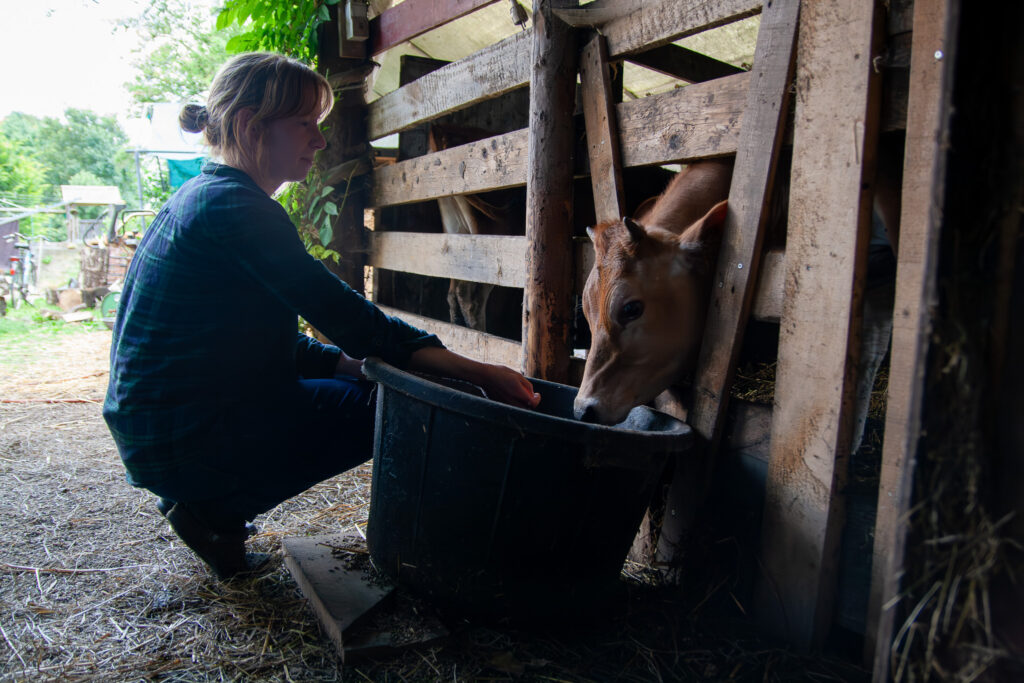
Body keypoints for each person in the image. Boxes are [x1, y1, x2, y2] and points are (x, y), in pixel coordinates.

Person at [103, 52, 540, 580]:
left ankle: (211, 506)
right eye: (305, 124)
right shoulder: (235, 208)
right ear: (250, 126)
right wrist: (479, 371)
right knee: (394, 412)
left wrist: (367, 367)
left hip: (164, 427)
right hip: (184, 436)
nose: (319, 140)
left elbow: (275, 343)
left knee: (385, 388)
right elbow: (353, 321)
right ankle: (214, 507)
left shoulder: (203, 196)